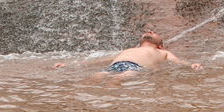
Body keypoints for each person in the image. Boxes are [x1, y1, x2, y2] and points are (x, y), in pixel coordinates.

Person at [53, 30, 202, 79]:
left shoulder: (162, 52)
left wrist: (191, 65)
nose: (149, 31)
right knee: (96, 77)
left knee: (119, 78)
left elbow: (176, 62)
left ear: (160, 45)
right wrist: (70, 65)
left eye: (154, 32)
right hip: (113, 66)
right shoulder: (129, 49)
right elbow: (100, 60)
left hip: (136, 68)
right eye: (147, 31)